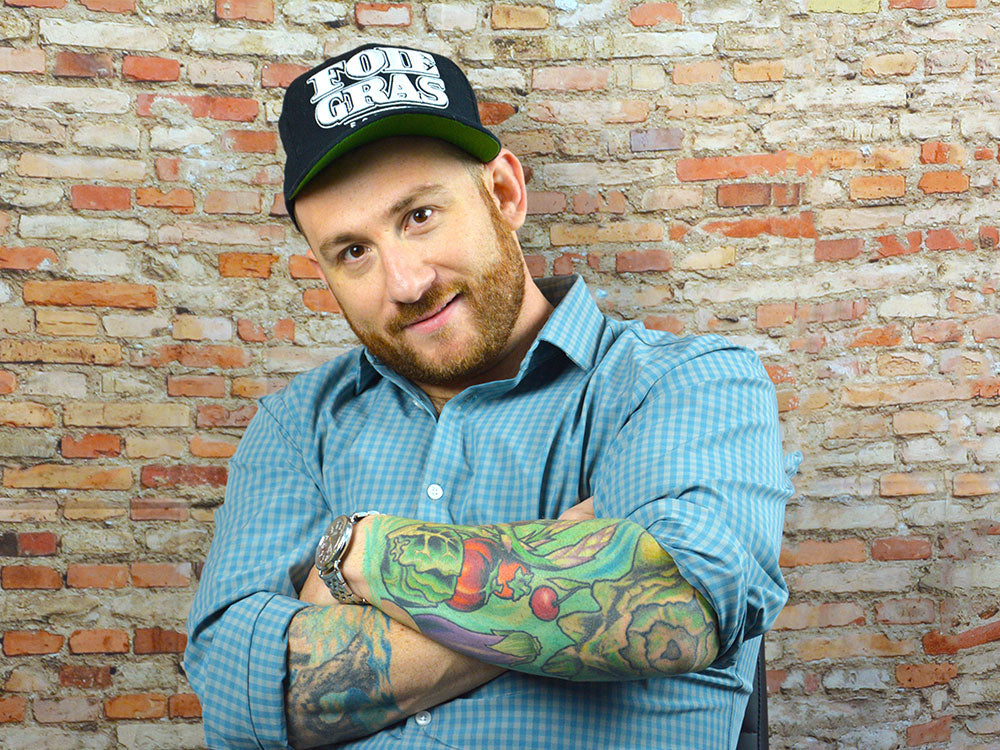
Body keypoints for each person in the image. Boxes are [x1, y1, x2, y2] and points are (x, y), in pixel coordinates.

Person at [185, 43, 801, 750]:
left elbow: (670, 606)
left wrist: (353, 552)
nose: (406, 282)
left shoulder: (681, 384)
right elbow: (237, 699)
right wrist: (570, 582)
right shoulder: (297, 427)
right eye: (353, 251)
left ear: (503, 194)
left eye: (419, 216)